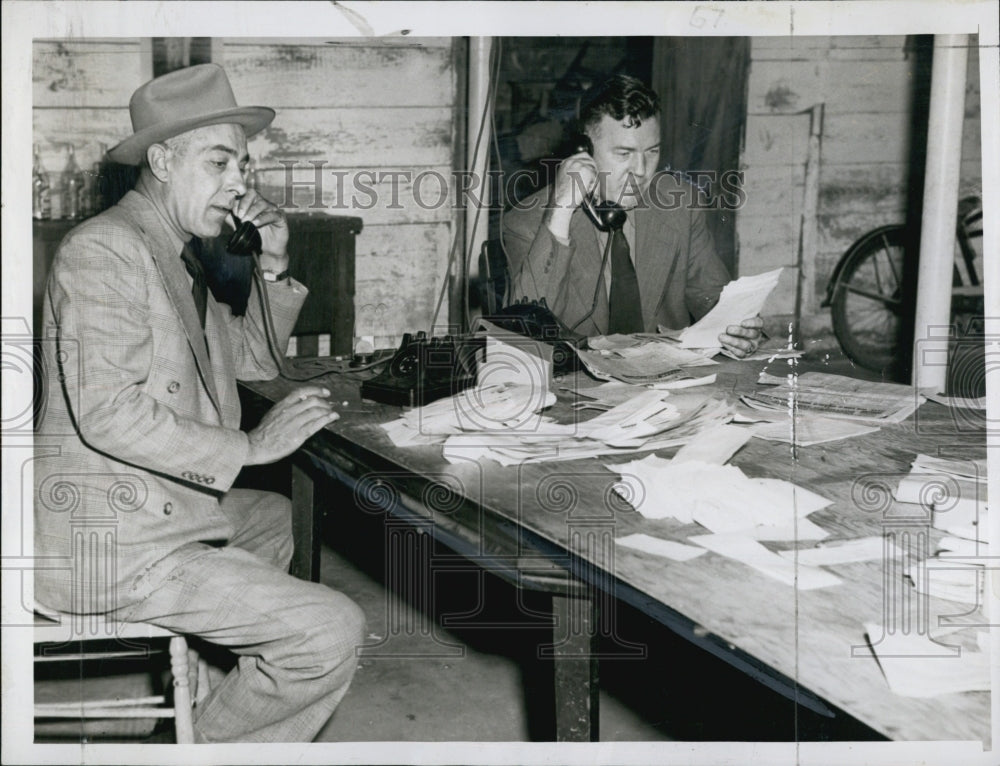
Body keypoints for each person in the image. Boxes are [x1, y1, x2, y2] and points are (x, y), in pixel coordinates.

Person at [33, 64, 365, 743]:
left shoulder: (175, 255)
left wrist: (271, 266)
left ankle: (209, 705)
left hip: (145, 507)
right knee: (331, 630)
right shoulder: (103, 252)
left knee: (274, 517)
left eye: (243, 165)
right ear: (162, 160)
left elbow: (253, 363)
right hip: (108, 541)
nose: (241, 182)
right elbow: (108, 412)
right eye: (220, 162)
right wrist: (250, 447)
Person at [503, 74, 763, 357]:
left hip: (670, 385)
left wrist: (738, 330)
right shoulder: (528, 221)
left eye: (652, 151)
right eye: (624, 153)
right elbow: (523, 335)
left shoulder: (680, 205)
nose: (641, 170)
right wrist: (562, 212)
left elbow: (713, 298)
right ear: (584, 151)